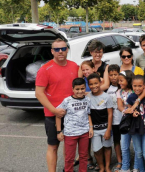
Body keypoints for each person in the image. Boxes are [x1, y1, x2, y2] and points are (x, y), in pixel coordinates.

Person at [35, 38, 79, 172]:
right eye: (57, 49)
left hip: (72, 115)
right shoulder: (45, 69)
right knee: (53, 146)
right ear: (52, 51)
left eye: (63, 49)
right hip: (53, 115)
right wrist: (54, 110)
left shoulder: (74, 66)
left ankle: (68, 169)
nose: (61, 52)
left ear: (67, 50)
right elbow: (39, 93)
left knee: (70, 146)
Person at [56, 78, 93, 172]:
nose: (80, 91)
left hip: (84, 132)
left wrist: (91, 128)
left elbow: (88, 114)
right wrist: (59, 131)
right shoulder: (67, 101)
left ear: (85, 88)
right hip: (70, 133)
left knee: (83, 156)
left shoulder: (87, 100)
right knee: (69, 158)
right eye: (77, 89)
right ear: (72, 89)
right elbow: (58, 115)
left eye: (82, 88)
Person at [126, 75, 145, 172]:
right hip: (135, 128)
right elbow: (129, 111)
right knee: (138, 153)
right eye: (135, 86)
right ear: (132, 86)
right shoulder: (131, 97)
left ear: (144, 86)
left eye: (139, 86)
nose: (137, 88)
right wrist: (132, 112)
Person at [87, 73, 114, 172]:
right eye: (91, 84)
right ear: (88, 85)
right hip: (94, 130)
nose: (94, 86)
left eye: (96, 83)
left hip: (105, 128)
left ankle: (107, 167)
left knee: (107, 147)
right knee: (97, 150)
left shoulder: (106, 97)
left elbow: (110, 114)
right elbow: (88, 113)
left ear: (100, 82)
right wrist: (90, 127)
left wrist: (108, 130)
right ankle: (101, 167)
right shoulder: (88, 97)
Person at [117, 70, 140, 172]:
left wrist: (132, 110)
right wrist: (126, 111)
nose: (120, 83)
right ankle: (125, 167)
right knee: (124, 146)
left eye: (121, 80)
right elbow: (119, 106)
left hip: (135, 120)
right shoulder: (119, 92)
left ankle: (136, 166)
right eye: (119, 81)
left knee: (136, 146)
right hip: (125, 121)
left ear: (128, 80)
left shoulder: (135, 90)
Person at [106, 64, 122, 172]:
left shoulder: (123, 86)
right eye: (111, 75)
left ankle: (127, 160)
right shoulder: (107, 88)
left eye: (115, 74)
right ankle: (119, 160)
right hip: (114, 120)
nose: (113, 77)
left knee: (126, 141)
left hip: (124, 119)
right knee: (116, 141)